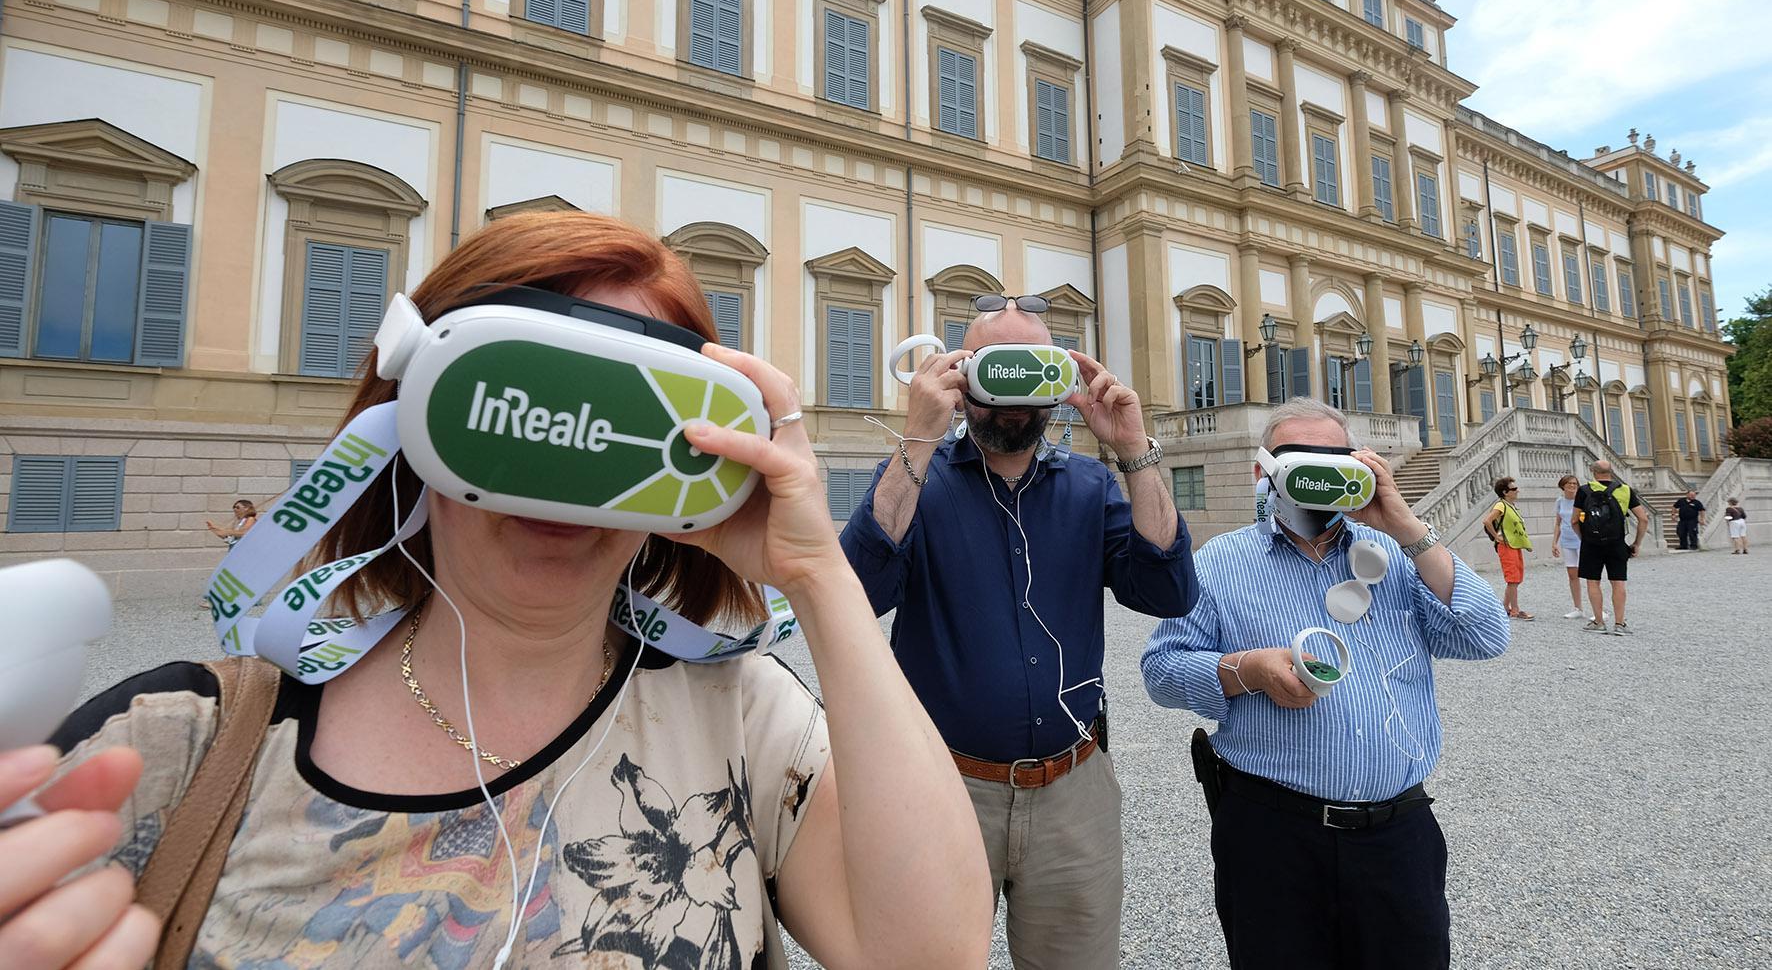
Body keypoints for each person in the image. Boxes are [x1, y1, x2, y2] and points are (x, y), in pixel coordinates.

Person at [1, 212, 991, 969]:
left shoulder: (741, 716)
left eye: (618, 421)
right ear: (414, 415)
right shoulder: (171, 747)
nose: (568, 464)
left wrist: (814, 574)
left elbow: (933, 954)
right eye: (526, 407)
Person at [840, 295, 1196, 970]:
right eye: (992, 367)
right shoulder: (920, 481)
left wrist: (1133, 449)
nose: (1010, 398)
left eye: (1027, 370)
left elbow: (1168, 589)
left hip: (1073, 792)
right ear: (961, 372)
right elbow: (852, 596)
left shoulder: (1091, 486)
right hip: (940, 789)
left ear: (1055, 382)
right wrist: (917, 437)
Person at [1141, 398, 1509, 970]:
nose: (1318, 467)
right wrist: (1249, 670)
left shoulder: (1394, 553)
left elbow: (1485, 635)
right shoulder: (1220, 561)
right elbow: (1162, 668)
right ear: (1265, 469)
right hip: (1272, 834)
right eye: (1299, 455)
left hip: (1396, 833)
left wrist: (1407, 527)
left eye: (1335, 456)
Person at [1574, 459, 1648, 636]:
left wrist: (1584, 538)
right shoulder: (1625, 490)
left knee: (1593, 581)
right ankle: (1619, 623)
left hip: (1591, 543)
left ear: (1593, 472)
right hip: (1616, 542)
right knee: (1618, 582)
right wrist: (1637, 543)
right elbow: (1643, 519)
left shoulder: (1584, 490)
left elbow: (1574, 520)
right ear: (1612, 472)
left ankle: (1599, 621)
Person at [1483, 476, 1533, 620]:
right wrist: (1496, 536)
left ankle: (1505, 607)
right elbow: (1487, 521)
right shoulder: (1501, 505)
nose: (1518, 491)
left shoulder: (1510, 506)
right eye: (1514, 489)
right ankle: (1515, 610)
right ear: (1505, 492)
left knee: (1515, 578)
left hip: (1514, 545)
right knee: (1512, 578)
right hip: (1506, 546)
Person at [1551, 475, 1587, 619]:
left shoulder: (1582, 500)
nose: (1572, 486)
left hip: (1581, 540)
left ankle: (1600, 609)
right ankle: (1578, 608)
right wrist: (1554, 542)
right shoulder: (1560, 501)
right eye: (1569, 483)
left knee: (1590, 575)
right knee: (1572, 575)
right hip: (1567, 540)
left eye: (1574, 483)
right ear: (1563, 486)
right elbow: (1558, 523)